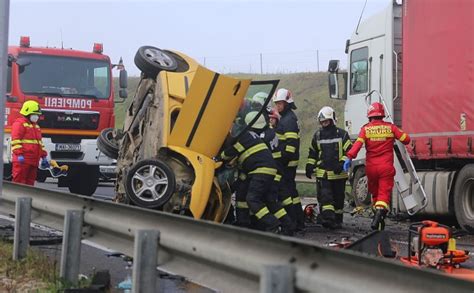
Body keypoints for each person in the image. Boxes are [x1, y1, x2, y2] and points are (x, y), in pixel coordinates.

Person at [344, 102, 411, 230]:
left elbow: (357, 145)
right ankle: (379, 214)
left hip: (371, 168)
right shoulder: (390, 128)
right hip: (386, 167)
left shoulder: (366, 129)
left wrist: (349, 157)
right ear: (382, 115)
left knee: (375, 193)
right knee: (383, 194)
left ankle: (377, 218)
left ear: (370, 116)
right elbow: (406, 139)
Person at [218, 125, 281, 233]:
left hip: (261, 170)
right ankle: (244, 223)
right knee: (246, 197)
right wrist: (231, 188)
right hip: (260, 170)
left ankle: (273, 224)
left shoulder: (243, 138)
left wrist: (219, 157)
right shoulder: (250, 135)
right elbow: (244, 175)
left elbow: (230, 152)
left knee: (252, 199)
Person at [244, 111, 296, 235]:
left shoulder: (261, 137)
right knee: (271, 201)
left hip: (268, 173)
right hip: (276, 171)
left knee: (257, 199)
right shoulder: (271, 133)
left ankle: (271, 224)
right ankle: (288, 225)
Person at [305, 106, 351, 229]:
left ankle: (338, 220)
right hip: (323, 174)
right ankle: (328, 219)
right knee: (325, 197)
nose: (324, 124)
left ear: (332, 120)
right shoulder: (318, 135)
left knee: (338, 200)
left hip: (339, 174)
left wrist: (341, 164)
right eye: (322, 122)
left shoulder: (342, 134)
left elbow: (350, 152)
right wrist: (310, 165)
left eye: (326, 121)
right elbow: (313, 152)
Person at [272, 88, 305, 231]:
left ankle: (294, 222)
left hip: (286, 164)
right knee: (292, 194)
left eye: (280, 103)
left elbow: (291, 146)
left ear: (287, 103)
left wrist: (281, 161)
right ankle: (298, 221)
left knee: (287, 194)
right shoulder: (286, 118)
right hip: (286, 163)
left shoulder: (289, 119)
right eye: (277, 104)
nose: (278, 106)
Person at [11, 100, 49, 185]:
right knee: (19, 182)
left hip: (33, 161)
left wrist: (44, 156)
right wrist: (19, 155)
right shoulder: (19, 124)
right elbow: (16, 141)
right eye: (35, 114)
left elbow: (39, 144)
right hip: (22, 160)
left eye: (37, 115)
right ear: (27, 113)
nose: (37, 117)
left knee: (30, 183)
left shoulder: (36, 126)